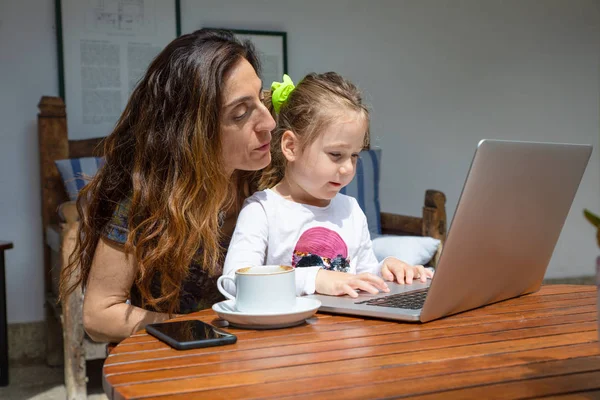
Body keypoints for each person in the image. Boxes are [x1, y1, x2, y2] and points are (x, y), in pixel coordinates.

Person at [59, 28, 276, 343]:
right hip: (171, 363)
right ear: (191, 131)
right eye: (240, 113)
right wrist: (198, 329)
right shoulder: (145, 197)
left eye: (261, 98)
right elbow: (98, 315)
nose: (268, 122)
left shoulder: (263, 177)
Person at [222, 72, 433, 298]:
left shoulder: (350, 210)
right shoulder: (262, 210)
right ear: (291, 147)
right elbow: (234, 281)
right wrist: (315, 278)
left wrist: (384, 270)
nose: (348, 169)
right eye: (335, 154)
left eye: (354, 156)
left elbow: (357, 275)